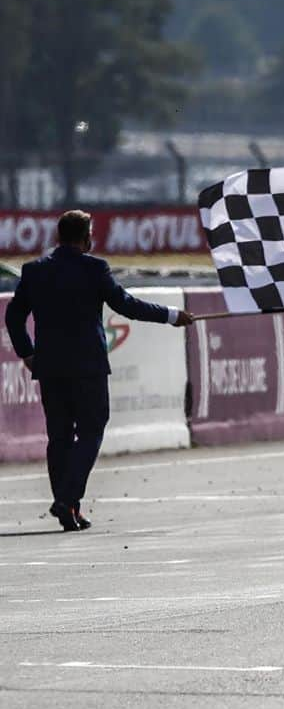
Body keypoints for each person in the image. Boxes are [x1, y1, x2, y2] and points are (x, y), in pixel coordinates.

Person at [4, 210, 194, 532]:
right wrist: (172, 315)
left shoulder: (34, 271)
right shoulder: (94, 268)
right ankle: (67, 499)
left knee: (59, 437)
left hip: (50, 366)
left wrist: (27, 354)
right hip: (87, 366)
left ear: (59, 237)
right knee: (91, 430)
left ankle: (69, 508)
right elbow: (127, 305)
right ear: (86, 237)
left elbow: (13, 317)